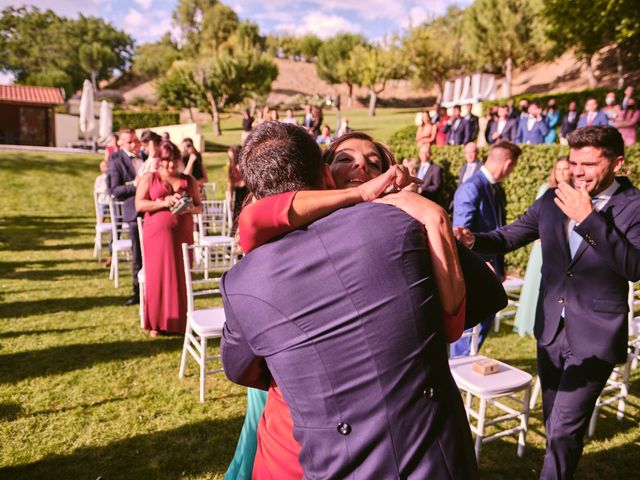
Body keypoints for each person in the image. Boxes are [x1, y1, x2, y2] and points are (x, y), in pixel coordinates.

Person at [221, 122, 506, 479]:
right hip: (301, 438)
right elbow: (254, 220)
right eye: (346, 159)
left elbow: (468, 309)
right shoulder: (263, 256)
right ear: (324, 175)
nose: (362, 169)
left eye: (374, 163)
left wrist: (432, 221)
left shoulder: (408, 227)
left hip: (398, 436)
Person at [455, 125, 640, 479]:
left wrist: (589, 219)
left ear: (617, 163)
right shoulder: (553, 200)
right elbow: (507, 237)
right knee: (554, 419)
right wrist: (472, 240)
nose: (578, 172)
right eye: (574, 163)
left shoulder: (635, 207)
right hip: (551, 329)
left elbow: (633, 267)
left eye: (589, 164)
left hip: (596, 334)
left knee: (566, 427)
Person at [450, 140, 522, 357]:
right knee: (469, 329)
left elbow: (498, 230)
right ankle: (458, 370)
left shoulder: (496, 189)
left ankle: (468, 362)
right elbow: (460, 234)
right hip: (476, 271)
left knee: (485, 323)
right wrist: (482, 264)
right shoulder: (472, 187)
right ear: (508, 164)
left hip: (494, 268)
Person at [134, 141, 201, 336]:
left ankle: (181, 322)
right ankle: (156, 322)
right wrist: (163, 202)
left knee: (182, 275)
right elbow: (139, 204)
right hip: (156, 236)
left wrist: (189, 208)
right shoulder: (150, 178)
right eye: (167, 162)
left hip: (183, 234)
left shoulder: (189, 180)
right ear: (159, 161)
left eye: (174, 161)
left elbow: (199, 206)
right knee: (157, 277)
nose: (171, 166)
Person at [514, 157, 570, 336]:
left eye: (565, 169)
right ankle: (530, 323)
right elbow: (535, 217)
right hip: (541, 244)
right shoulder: (545, 190)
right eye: (558, 169)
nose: (561, 172)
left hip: (560, 247)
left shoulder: (574, 194)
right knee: (536, 284)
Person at [106, 128, 144, 306]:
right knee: (138, 255)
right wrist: (135, 185)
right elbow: (115, 190)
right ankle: (138, 291)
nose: (135, 144)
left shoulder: (146, 157)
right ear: (120, 143)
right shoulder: (116, 160)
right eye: (130, 142)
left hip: (153, 211)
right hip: (134, 213)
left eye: (136, 140)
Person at [227, 145, 247, 232]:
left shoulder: (245, 165)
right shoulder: (231, 166)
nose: (231, 158)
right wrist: (230, 199)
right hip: (238, 192)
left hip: (246, 191)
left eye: (233, 156)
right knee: (237, 216)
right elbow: (230, 183)